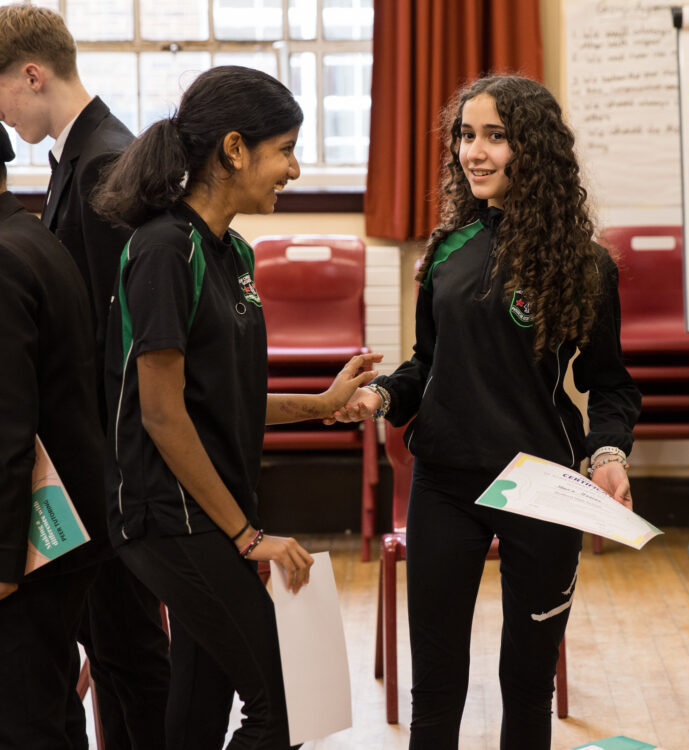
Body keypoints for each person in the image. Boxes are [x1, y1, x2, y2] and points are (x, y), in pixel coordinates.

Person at [334, 75, 642, 750]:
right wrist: (381, 395)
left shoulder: (586, 266)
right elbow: (426, 364)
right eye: (466, 136)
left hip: (541, 488)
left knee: (527, 688)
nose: (474, 152)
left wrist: (610, 452)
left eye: (494, 137)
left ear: (532, 149)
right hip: (445, 482)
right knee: (436, 688)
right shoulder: (444, 251)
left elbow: (611, 384)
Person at [92, 65, 380, 749]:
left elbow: (225, 400)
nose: (294, 167)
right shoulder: (164, 250)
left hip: (211, 515)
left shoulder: (235, 254)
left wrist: (322, 405)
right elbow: (162, 415)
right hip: (168, 519)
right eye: (283, 149)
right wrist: (248, 536)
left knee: (193, 716)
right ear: (233, 148)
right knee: (287, 705)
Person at [0, 6, 170, 747]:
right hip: (98, 466)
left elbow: (119, 345)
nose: (1, 118)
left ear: (32, 75)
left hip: (110, 469)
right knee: (111, 658)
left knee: (131, 660)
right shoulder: (83, 155)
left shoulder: (103, 162)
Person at [0, 125, 109, 748]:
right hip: (65, 529)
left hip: (30, 547)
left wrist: (4, 561)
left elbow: (8, 427)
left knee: (25, 721)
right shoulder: (31, 236)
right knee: (52, 706)